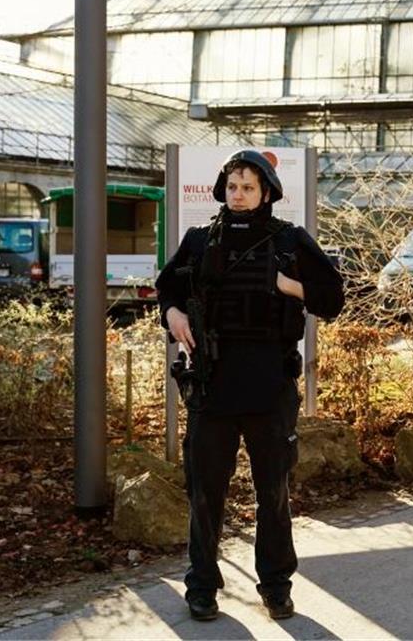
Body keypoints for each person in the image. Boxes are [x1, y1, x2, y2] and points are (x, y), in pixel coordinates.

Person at [156, 150, 345, 622]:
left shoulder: (289, 242)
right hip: (211, 387)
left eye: (249, 187)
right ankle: (201, 586)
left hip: (269, 388)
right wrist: (173, 313)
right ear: (223, 189)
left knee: (273, 493)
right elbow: (167, 290)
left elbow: (334, 297)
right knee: (204, 493)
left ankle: (276, 586)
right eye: (233, 186)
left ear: (266, 193)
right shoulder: (199, 242)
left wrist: (288, 285)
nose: (239, 195)